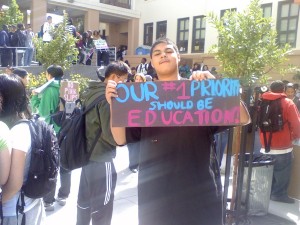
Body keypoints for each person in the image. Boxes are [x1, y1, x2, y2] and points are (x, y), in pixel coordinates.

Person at [105, 37, 251, 225]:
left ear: (178, 57)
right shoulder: (141, 98)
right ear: (152, 62)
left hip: (201, 192)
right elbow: (120, 139)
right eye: (157, 53)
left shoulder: (199, 91)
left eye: (168, 51)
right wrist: (113, 106)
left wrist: (216, 87)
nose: (163, 55)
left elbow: (244, 118)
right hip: (156, 196)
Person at [76, 61, 130, 225]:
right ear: (114, 77)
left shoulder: (90, 91)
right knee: (102, 210)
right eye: (125, 80)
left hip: (87, 157)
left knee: (83, 206)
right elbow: (112, 136)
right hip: (102, 158)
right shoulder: (107, 98)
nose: (126, 84)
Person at [0, 74, 45, 225]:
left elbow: (14, 184)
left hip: (15, 212)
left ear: (4, 99)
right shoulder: (29, 123)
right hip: (30, 205)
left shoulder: (17, 133)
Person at [30, 65, 71, 211]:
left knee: (52, 163)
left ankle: (48, 200)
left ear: (49, 75)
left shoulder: (49, 89)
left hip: (53, 131)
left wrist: (34, 97)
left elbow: (43, 113)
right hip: (67, 129)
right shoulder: (69, 87)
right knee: (65, 164)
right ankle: (64, 195)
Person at [260, 80, 300, 204]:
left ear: (270, 89)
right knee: (282, 171)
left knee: (267, 171)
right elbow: (296, 123)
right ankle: (278, 195)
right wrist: (295, 136)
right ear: (283, 90)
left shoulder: (263, 101)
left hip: (265, 144)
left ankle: (266, 192)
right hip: (283, 145)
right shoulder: (288, 102)